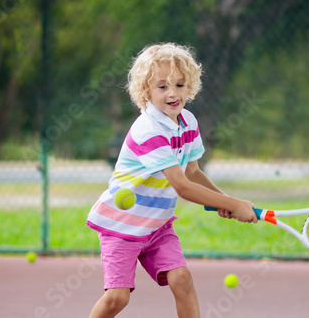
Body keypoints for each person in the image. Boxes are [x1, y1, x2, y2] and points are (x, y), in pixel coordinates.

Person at [86, 42, 257, 318]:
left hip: (158, 225)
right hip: (122, 225)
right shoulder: (148, 130)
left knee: (182, 280)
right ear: (146, 92)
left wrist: (224, 203)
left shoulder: (188, 122)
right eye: (162, 86)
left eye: (179, 85)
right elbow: (181, 185)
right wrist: (234, 203)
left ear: (190, 86)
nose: (172, 93)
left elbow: (193, 173)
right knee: (117, 298)